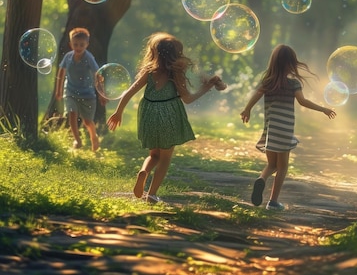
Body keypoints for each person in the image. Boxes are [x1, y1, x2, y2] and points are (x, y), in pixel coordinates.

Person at [107, 32, 225, 203]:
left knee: (154, 154)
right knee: (165, 157)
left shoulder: (148, 72)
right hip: (168, 114)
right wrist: (207, 87)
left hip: (149, 114)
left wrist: (118, 112)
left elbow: (129, 92)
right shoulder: (175, 74)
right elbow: (188, 99)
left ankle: (144, 172)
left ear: (155, 52)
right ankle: (152, 194)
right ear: (176, 56)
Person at [240, 44, 336, 211]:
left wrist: (247, 109)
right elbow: (302, 101)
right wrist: (323, 109)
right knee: (283, 166)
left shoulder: (267, 82)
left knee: (272, 164)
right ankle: (273, 202)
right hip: (284, 129)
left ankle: (262, 179)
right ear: (291, 63)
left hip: (271, 129)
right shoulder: (293, 84)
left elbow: (256, 96)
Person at [55, 27, 101, 151]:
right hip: (70, 91)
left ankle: (93, 136)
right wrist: (58, 91)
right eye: (75, 44)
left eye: (82, 45)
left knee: (87, 121)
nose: (78, 47)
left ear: (87, 44)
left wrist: (101, 93)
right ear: (71, 44)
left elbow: (97, 73)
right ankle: (77, 140)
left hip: (87, 94)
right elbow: (61, 73)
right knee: (72, 114)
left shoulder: (89, 57)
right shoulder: (68, 57)